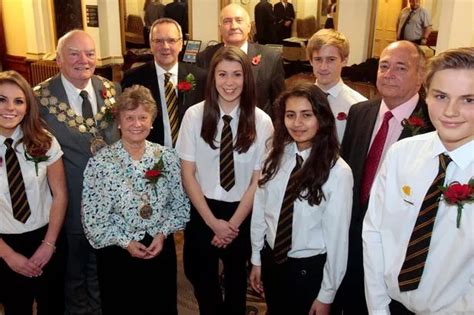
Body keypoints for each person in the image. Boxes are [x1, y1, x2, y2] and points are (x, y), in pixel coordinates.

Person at [363, 47, 474, 314]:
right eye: (440, 96)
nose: (451, 111)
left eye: (468, 100)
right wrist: (378, 308)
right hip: (388, 306)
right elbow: (374, 231)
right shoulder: (402, 153)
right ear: (425, 95)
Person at [333, 40, 435, 314]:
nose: (389, 74)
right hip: (350, 240)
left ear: (421, 76)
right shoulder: (360, 112)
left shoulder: (432, 124)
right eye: (384, 66)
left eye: (401, 67)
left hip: (396, 250)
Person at [176, 46, 273, 315]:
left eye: (236, 75)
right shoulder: (194, 116)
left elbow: (258, 180)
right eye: (222, 74)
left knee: (236, 286)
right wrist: (212, 223)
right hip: (203, 209)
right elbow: (188, 173)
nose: (229, 83)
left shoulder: (262, 121)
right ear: (213, 78)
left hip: (241, 213)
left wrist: (231, 225)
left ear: (246, 78)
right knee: (202, 281)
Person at [82, 85, 190, 315]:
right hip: (117, 255)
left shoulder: (167, 158)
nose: (137, 124)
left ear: (152, 121)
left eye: (143, 117)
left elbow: (180, 207)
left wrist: (162, 234)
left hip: (159, 249)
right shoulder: (100, 164)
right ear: (118, 122)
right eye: (129, 117)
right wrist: (126, 243)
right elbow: (93, 220)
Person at [34, 30, 120, 315]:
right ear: (58, 59)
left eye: (90, 53)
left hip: (109, 206)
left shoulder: (111, 90)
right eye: (74, 53)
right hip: (67, 204)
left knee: (103, 274)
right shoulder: (40, 99)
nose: (83, 60)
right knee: (73, 276)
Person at [249, 82, 353, 315]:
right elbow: (260, 211)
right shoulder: (274, 156)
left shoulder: (338, 172)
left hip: (309, 272)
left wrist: (327, 294)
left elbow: (338, 241)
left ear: (322, 118)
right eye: (290, 115)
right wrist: (256, 258)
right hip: (273, 261)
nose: (297, 123)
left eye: (306, 115)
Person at [0, 70, 67, 315]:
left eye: (18, 101)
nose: (10, 108)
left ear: (28, 107)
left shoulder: (44, 141)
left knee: (54, 305)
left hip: (46, 236)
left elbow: (60, 194)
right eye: (2, 99)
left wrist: (49, 244)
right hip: (3, 243)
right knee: (16, 307)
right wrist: (8, 256)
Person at [122, 18, 206, 147]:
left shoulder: (201, 77)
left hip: (192, 154)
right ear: (151, 44)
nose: (165, 47)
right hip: (150, 157)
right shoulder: (133, 79)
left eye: (171, 40)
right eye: (159, 41)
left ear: (181, 43)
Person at [196, 4, 285, 116]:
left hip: (259, 129)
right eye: (227, 21)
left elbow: (279, 103)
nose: (233, 26)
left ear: (249, 27)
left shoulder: (270, 58)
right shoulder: (205, 58)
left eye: (239, 20)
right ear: (220, 29)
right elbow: (201, 99)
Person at [306, 28, 367, 142]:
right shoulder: (300, 100)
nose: (323, 67)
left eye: (331, 60)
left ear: (344, 60)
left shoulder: (358, 105)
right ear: (310, 61)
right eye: (318, 59)